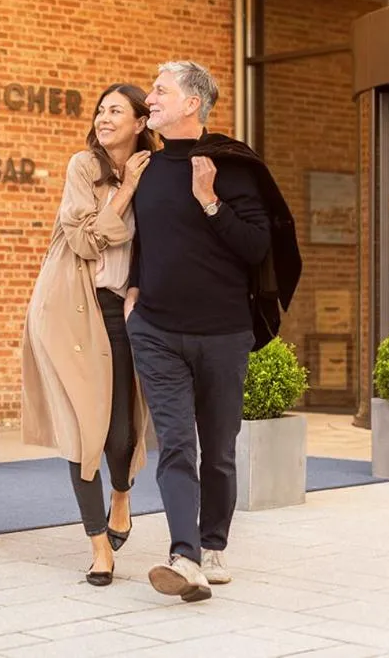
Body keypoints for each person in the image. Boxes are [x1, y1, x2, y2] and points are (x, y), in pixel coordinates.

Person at [125, 61, 300, 603]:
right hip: (155, 330)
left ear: (192, 103)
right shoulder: (145, 167)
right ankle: (185, 556)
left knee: (219, 449)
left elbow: (256, 247)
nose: (149, 97)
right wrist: (133, 296)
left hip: (223, 333)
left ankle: (214, 543)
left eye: (160, 90)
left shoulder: (231, 166)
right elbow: (142, 240)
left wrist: (210, 200)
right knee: (175, 444)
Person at [22, 83, 157, 587]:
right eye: (100, 110)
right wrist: (124, 193)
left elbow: (158, 246)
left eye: (116, 110)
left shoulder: (156, 174)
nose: (104, 118)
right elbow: (81, 239)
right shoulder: (84, 166)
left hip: (120, 308)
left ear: (141, 123)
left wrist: (143, 287)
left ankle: (121, 493)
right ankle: (98, 544)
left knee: (123, 431)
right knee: (86, 432)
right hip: (70, 308)